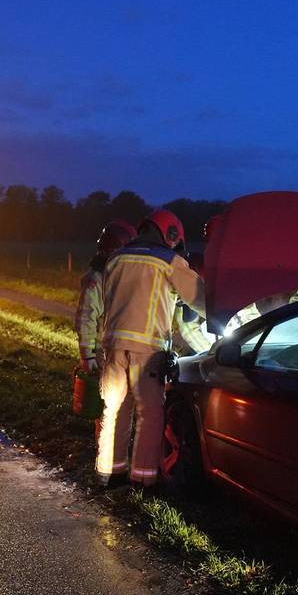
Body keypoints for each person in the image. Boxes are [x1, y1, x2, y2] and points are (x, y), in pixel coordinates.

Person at [96, 209, 205, 489]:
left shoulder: (116, 258)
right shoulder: (169, 260)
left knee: (115, 409)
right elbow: (198, 299)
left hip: (112, 346)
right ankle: (144, 480)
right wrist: (221, 311)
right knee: (150, 413)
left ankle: (110, 472)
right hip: (148, 349)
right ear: (170, 235)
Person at [75, 220, 137, 373]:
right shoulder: (96, 278)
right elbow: (86, 316)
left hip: (121, 348)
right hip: (102, 352)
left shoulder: (119, 275)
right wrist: (88, 355)